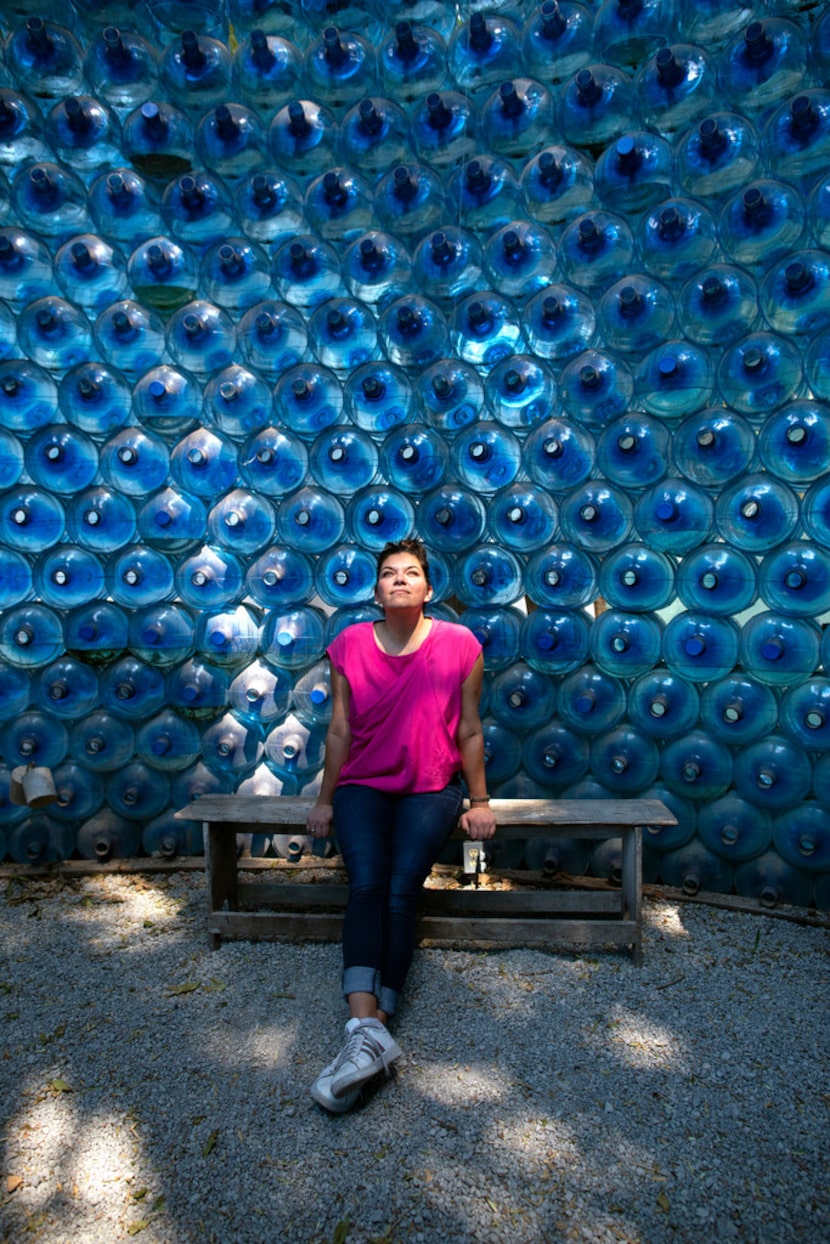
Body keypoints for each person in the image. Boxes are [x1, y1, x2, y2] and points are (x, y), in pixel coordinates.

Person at [306, 537, 497, 1113]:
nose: (399, 581)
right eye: (388, 574)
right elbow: (338, 732)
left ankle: (368, 1031)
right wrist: (324, 799)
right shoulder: (349, 644)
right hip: (363, 784)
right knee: (365, 884)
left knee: (400, 890)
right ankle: (369, 1028)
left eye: (411, 573)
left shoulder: (461, 644)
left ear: (428, 589)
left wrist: (480, 801)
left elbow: (468, 729)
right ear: (375, 590)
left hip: (431, 789)